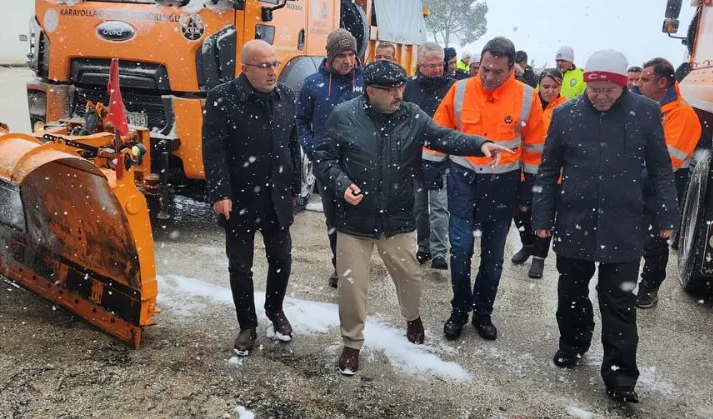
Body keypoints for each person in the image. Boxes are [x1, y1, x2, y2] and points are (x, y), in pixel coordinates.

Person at [315, 60, 506, 375]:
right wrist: (341, 184)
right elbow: (324, 157)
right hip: (355, 219)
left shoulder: (412, 116)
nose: (399, 94)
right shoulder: (344, 116)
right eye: (391, 90)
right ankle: (351, 344)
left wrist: (480, 144)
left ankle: (412, 316)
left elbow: (444, 137)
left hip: (398, 217)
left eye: (401, 87)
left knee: (410, 278)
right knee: (352, 287)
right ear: (371, 91)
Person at [533, 49, 679, 404]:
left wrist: (666, 216)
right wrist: (542, 219)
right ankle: (572, 343)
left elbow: (660, 167)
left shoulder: (645, 112)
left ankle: (621, 377)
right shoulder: (566, 114)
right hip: (574, 219)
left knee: (619, 301)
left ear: (622, 88)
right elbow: (549, 168)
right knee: (571, 293)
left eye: (608, 91)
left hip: (623, 223)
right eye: (594, 89)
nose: (600, 96)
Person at [427, 37, 547, 342]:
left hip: (502, 185)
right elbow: (440, 131)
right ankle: (459, 309)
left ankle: (483, 312)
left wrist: (529, 187)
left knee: (493, 258)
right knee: (461, 251)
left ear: (512, 70)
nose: (489, 77)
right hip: (463, 181)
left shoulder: (526, 97)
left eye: (497, 72)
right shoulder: (461, 90)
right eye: (485, 69)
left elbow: (534, 147)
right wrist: (431, 166)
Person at [202, 40, 302, 356]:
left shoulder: (286, 96)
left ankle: (275, 310)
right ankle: (247, 325)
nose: (273, 71)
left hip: (277, 196)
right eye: (265, 66)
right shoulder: (223, 99)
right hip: (240, 197)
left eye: (275, 64)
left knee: (281, 259)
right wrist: (220, 193)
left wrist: (295, 184)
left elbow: (291, 142)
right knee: (241, 267)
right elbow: (213, 150)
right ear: (246, 69)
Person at [296, 29, 364, 288]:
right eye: (342, 56)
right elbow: (301, 119)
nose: (348, 61)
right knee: (334, 218)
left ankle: (357, 264)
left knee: (360, 216)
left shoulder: (365, 80)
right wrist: (312, 147)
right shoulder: (313, 83)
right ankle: (340, 266)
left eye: (352, 54)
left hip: (361, 161)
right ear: (330, 56)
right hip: (328, 164)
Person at [635, 57, 702, 308]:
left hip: (661, 190)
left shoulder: (681, 115)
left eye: (645, 79)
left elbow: (663, 164)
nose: (639, 84)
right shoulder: (648, 108)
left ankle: (650, 287)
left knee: (653, 242)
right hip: (638, 185)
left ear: (663, 82)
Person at [511, 67, 566, 278]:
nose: (550, 91)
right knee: (520, 211)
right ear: (538, 86)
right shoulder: (529, 103)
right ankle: (527, 244)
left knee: (545, 216)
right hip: (525, 170)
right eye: (546, 86)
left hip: (554, 174)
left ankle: (539, 258)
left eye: (555, 86)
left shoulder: (566, 107)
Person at [405, 42, 454, 269]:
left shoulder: (452, 87)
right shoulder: (408, 87)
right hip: (415, 156)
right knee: (418, 206)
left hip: (441, 157)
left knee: (439, 206)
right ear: (420, 65)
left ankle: (439, 252)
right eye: (431, 65)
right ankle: (423, 246)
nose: (437, 69)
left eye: (440, 64)